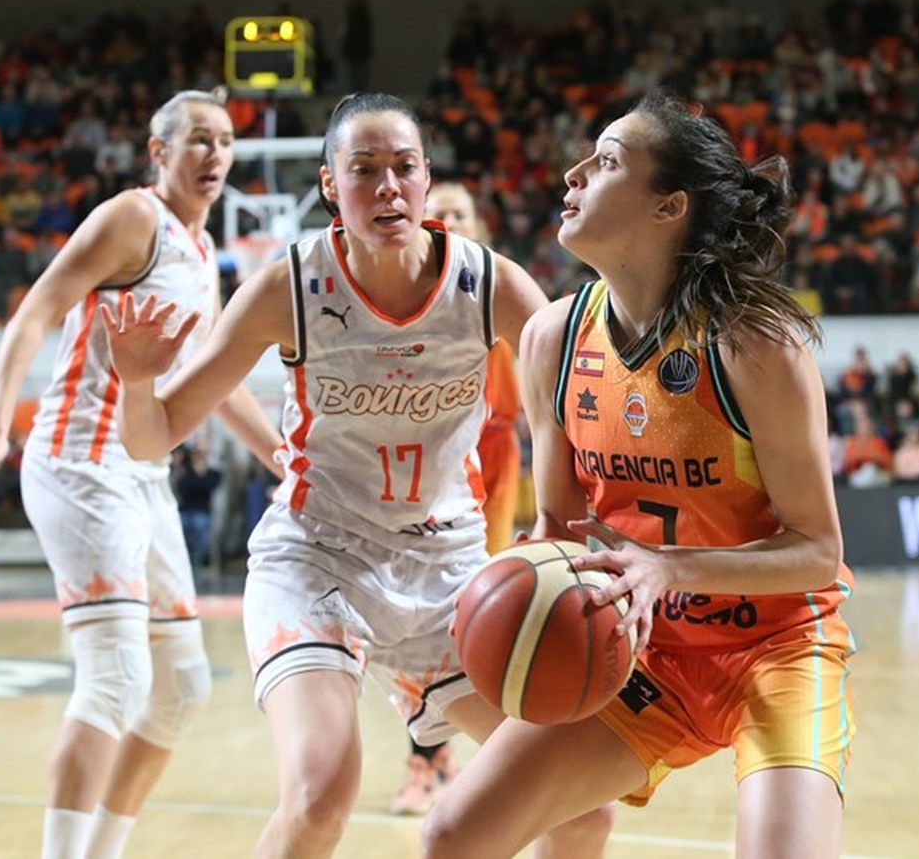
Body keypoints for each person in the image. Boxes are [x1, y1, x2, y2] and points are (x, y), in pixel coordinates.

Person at [101, 92, 610, 858]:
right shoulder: (289, 287)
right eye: (363, 169)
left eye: (403, 167)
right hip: (319, 558)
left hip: (448, 570)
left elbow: (574, 412)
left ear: (425, 176)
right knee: (320, 794)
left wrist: (563, 528)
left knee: (581, 805)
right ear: (330, 185)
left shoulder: (489, 284)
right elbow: (156, 436)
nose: (386, 187)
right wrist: (138, 382)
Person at [421, 92, 855, 859]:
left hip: (776, 646)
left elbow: (818, 550)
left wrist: (668, 567)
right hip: (641, 648)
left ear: (668, 208)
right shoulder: (553, 338)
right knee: (454, 836)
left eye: (608, 160)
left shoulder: (755, 346)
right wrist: (505, 606)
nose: (574, 172)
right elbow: (556, 531)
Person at [0, 88, 282, 859]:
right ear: (158, 150)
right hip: (78, 460)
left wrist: (285, 460)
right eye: (198, 140)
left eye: (226, 142)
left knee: (180, 689)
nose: (214, 156)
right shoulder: (132, 218)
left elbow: (214, 380)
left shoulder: (205, 253)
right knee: (116, 679)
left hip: (140, 471)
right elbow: (33, 312)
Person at [385, 181, 522, 816]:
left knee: (481, 618)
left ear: (481, 226)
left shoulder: (500, 290)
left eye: (463, 212)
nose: (450, 221)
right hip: (433, 466)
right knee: (437, 620)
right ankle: (426, 764)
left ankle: (463, 754)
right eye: (440, 213)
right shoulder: (410, 301)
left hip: (495, 461)